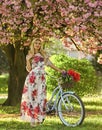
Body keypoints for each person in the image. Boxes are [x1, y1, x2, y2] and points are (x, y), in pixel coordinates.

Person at [20, 38, 63, 127]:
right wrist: (27, 60)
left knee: (41, 98)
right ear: (33, 44)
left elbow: (51, 65)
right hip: (32, 78)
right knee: (32, 98)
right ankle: (32, 119)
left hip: (42, 79)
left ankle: (39, 118)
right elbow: (28, 69)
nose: (37, 45)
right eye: (36, 43)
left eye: (39, 43)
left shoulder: (43, 55)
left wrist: (60, 70)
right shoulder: (30, 55)